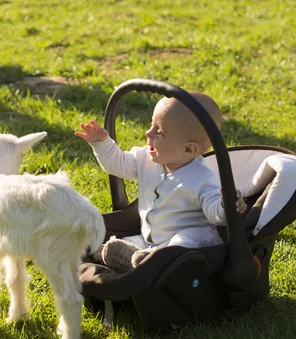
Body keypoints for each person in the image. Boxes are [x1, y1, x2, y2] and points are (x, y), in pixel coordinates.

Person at [75, 92, 247, 272]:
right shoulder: (145, 158)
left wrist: (225, 204)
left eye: (159, 132)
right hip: (151, 238)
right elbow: (118, 164)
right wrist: (101, 143)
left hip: (192, 242)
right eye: (151, 125)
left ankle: (151, 262)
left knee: (186, 241)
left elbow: (215, 213)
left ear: (188, 148)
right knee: (128, 243)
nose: (148, 133)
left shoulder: (201, 177)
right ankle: (125, 256)